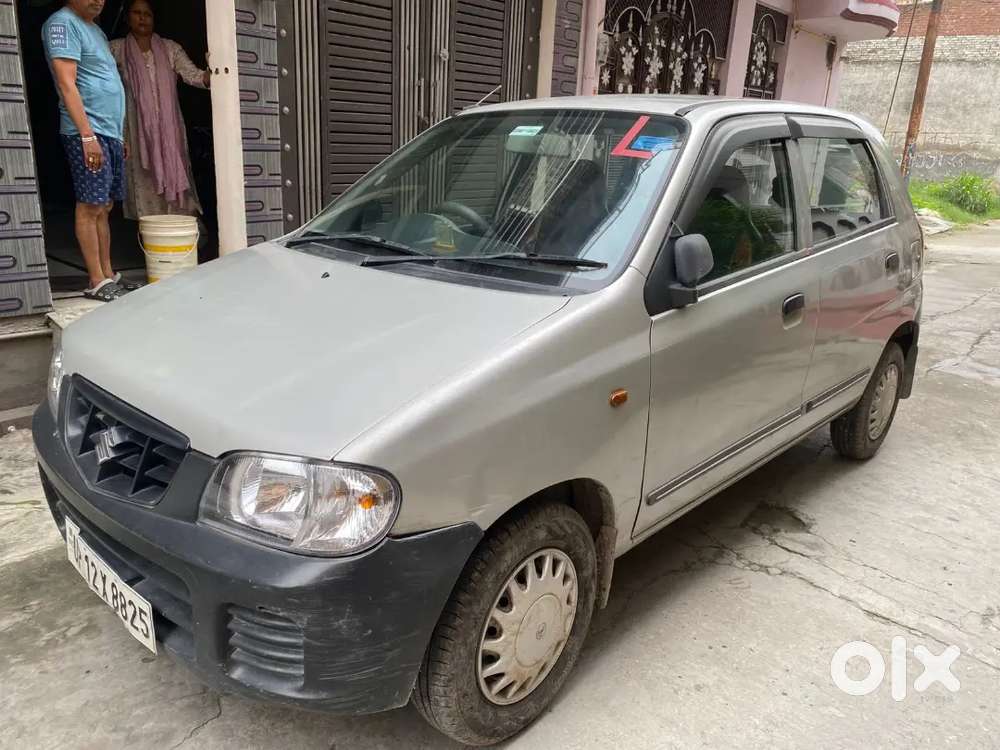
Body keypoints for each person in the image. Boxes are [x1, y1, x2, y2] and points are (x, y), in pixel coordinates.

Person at [43, 0, 135, 301]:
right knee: (90, 206)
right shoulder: (62, 24)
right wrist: (86, 136)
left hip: (107, 132)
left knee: (104, 206)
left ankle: (108, 274)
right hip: (87, 131)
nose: (98, 0)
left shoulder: (95, 30)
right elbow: (67, 83)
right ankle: (96, 279)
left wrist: (119, 136)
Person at [110, 0, 210, 221]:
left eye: (147, 14)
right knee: (145, 181)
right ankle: (153, 237)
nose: (142, 18)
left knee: (177, 177)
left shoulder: (170, 48)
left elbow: (193, 75)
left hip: (170, 130)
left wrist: (213, 73)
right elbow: (105, 86)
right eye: (137, 13)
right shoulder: (116, 49)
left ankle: (182, 234)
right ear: (128, 17)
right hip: (135, 132)